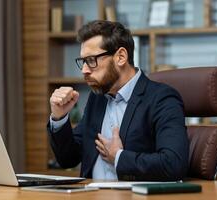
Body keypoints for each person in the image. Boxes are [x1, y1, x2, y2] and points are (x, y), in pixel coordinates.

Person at [47, 20, 189, 181]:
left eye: (91, 60)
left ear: (121, 57)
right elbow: (68, 159)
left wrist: (119, 157)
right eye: (83, 62)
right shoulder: (97, 98)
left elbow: (174, 164)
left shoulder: (162, 99)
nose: (85, 70)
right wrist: (59, 118)